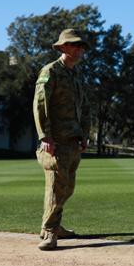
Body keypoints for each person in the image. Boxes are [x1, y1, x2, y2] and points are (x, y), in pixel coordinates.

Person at [33, 29, 91, 251]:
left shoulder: (76, 75)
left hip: (72, 140)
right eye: (75, 45)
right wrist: (45, 136)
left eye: (82, 46)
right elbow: (41, 104)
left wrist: (84, 134)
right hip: (55, 141)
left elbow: (85, 108)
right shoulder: (51, 71)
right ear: (64, 47)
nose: (80, 49)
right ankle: (50, 232)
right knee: (57, 188)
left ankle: (53, 226)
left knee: (67, 189)